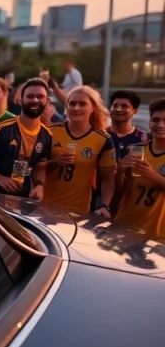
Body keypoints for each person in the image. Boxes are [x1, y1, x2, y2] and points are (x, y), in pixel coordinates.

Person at [0, 78, 54, 199]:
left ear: (47, 101)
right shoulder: (3, 128)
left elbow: (40, 166)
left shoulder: (47, 135)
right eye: (30, 96)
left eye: (40, 96)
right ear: (21, 101)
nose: (35, 100)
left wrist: (39, 185)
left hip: (23, 199)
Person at [43, 86, 116, 216]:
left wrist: (106, 206)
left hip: (77, 212)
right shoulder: (49, 131)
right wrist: (54, 163)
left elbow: (108, 179)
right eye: (72, 104)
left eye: (82, 104)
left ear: (93, 108)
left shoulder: (103, 139)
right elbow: (33, 167)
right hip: (42, 207)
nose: (76, 108)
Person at [111, 98, 165, 236]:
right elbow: (121, 190)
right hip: (125, 226)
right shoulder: (135, 150)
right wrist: (120, 172)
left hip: (156, 234)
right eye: (156, 120)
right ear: (150, 123)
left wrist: (153, 175)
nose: (160, 125)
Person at [107, 90, 149, 160]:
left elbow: (135, 165)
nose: (118, 109)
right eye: (115, 105)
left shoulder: (141, 139)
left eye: (124, 106)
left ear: (135, 111)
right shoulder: (101, 135)